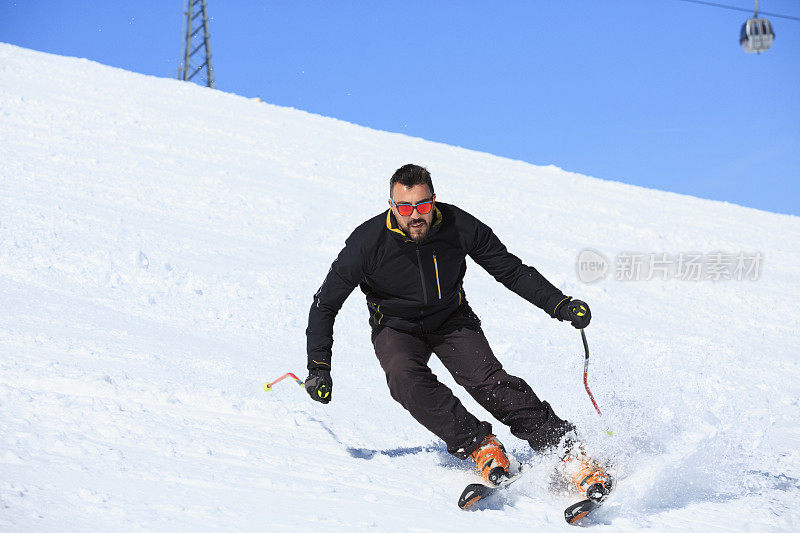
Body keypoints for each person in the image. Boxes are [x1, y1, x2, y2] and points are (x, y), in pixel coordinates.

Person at [304, 164, 606, 493]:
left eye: (422, 205)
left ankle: (566, 450)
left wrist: (557, 303)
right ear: (392, 206)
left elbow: (509, 269)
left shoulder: (458, 225)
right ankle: (480, 445)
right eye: (405, 207)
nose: (415, 215)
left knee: (488, 382)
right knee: (403, 378)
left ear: (433, 200)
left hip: (450, 319)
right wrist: (319, 366)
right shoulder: (367, 242)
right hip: (396, 327)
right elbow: (325, 303)